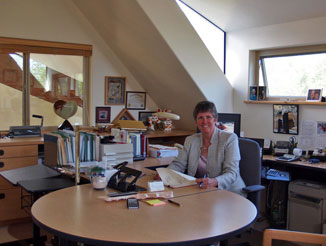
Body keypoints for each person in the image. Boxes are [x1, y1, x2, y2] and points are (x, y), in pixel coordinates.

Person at [160, 101, 246, 196]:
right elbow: (179, 164)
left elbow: (232, 173)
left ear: (215, 119)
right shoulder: (190, 140)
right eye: (200, 118)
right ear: (196, 122)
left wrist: (214, 181)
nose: (204, 121)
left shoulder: (229, 139)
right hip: (202, 192)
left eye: (208, 117)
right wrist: (164, 175)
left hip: (229, 193)